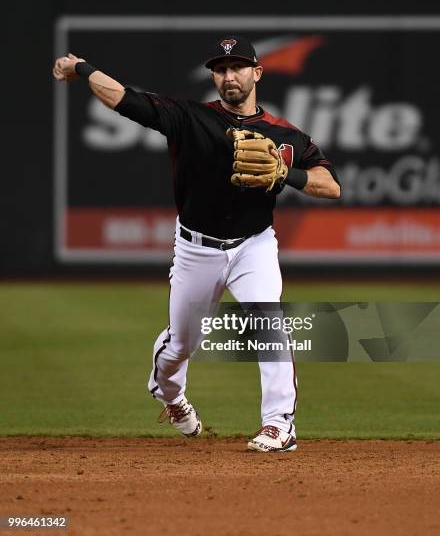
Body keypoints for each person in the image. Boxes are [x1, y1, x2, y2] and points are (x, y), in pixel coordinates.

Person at [53, 36, 340, 452]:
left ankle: (279, 424)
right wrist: (82, 69)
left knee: (269, 324)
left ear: (257, 73)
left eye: (238, 67)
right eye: (221, 69)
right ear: (213, 76)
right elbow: (125, 100)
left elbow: (331, 186)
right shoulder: (189, 118)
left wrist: (285, 175)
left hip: (254, 246)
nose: (229, 76)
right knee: (182, 345)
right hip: (196, 249)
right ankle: (168, 392)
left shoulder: (286, 135)